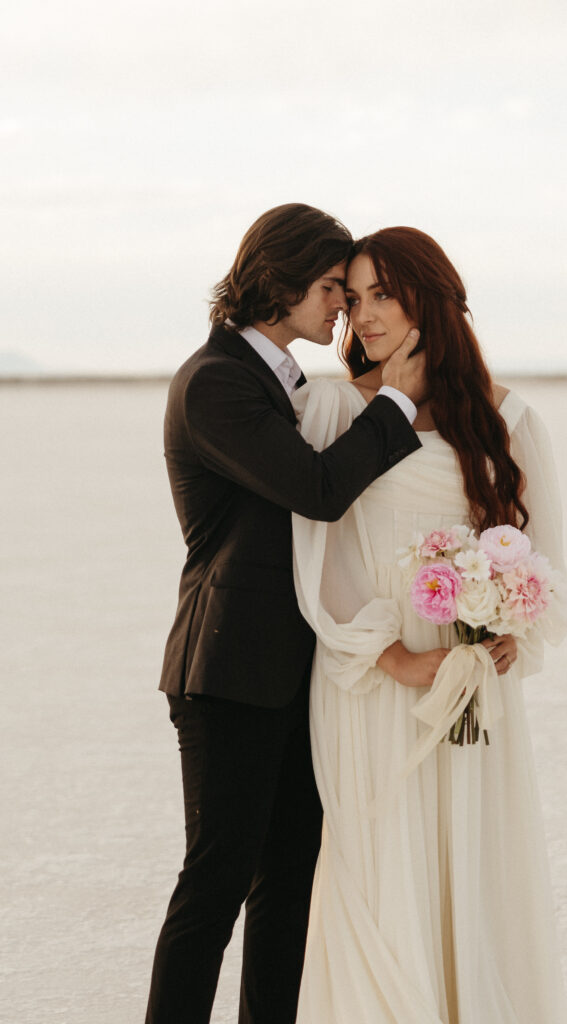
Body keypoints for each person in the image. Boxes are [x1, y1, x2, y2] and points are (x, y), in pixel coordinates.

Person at [145, 205, 427, 1024]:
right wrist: (397, 404)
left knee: (287, 881)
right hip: (226, 668)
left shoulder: (284, 381)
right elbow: (314, 489)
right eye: (333, 286)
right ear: (281, 276)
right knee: (216, 883)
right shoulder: (216, 380)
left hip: (292, 670)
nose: (344, 305)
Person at [291, 226, 567, 1023]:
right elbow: (323, 551)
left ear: (432, 296)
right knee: (378, 866)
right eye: (352, 298)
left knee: (471, 864)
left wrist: (514, 622)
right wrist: (386, 654)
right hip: (373, 682)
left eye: (382, 292)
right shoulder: (334, 405)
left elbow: (541, 557)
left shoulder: (508, 417)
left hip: (470, 683)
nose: (363, 314)